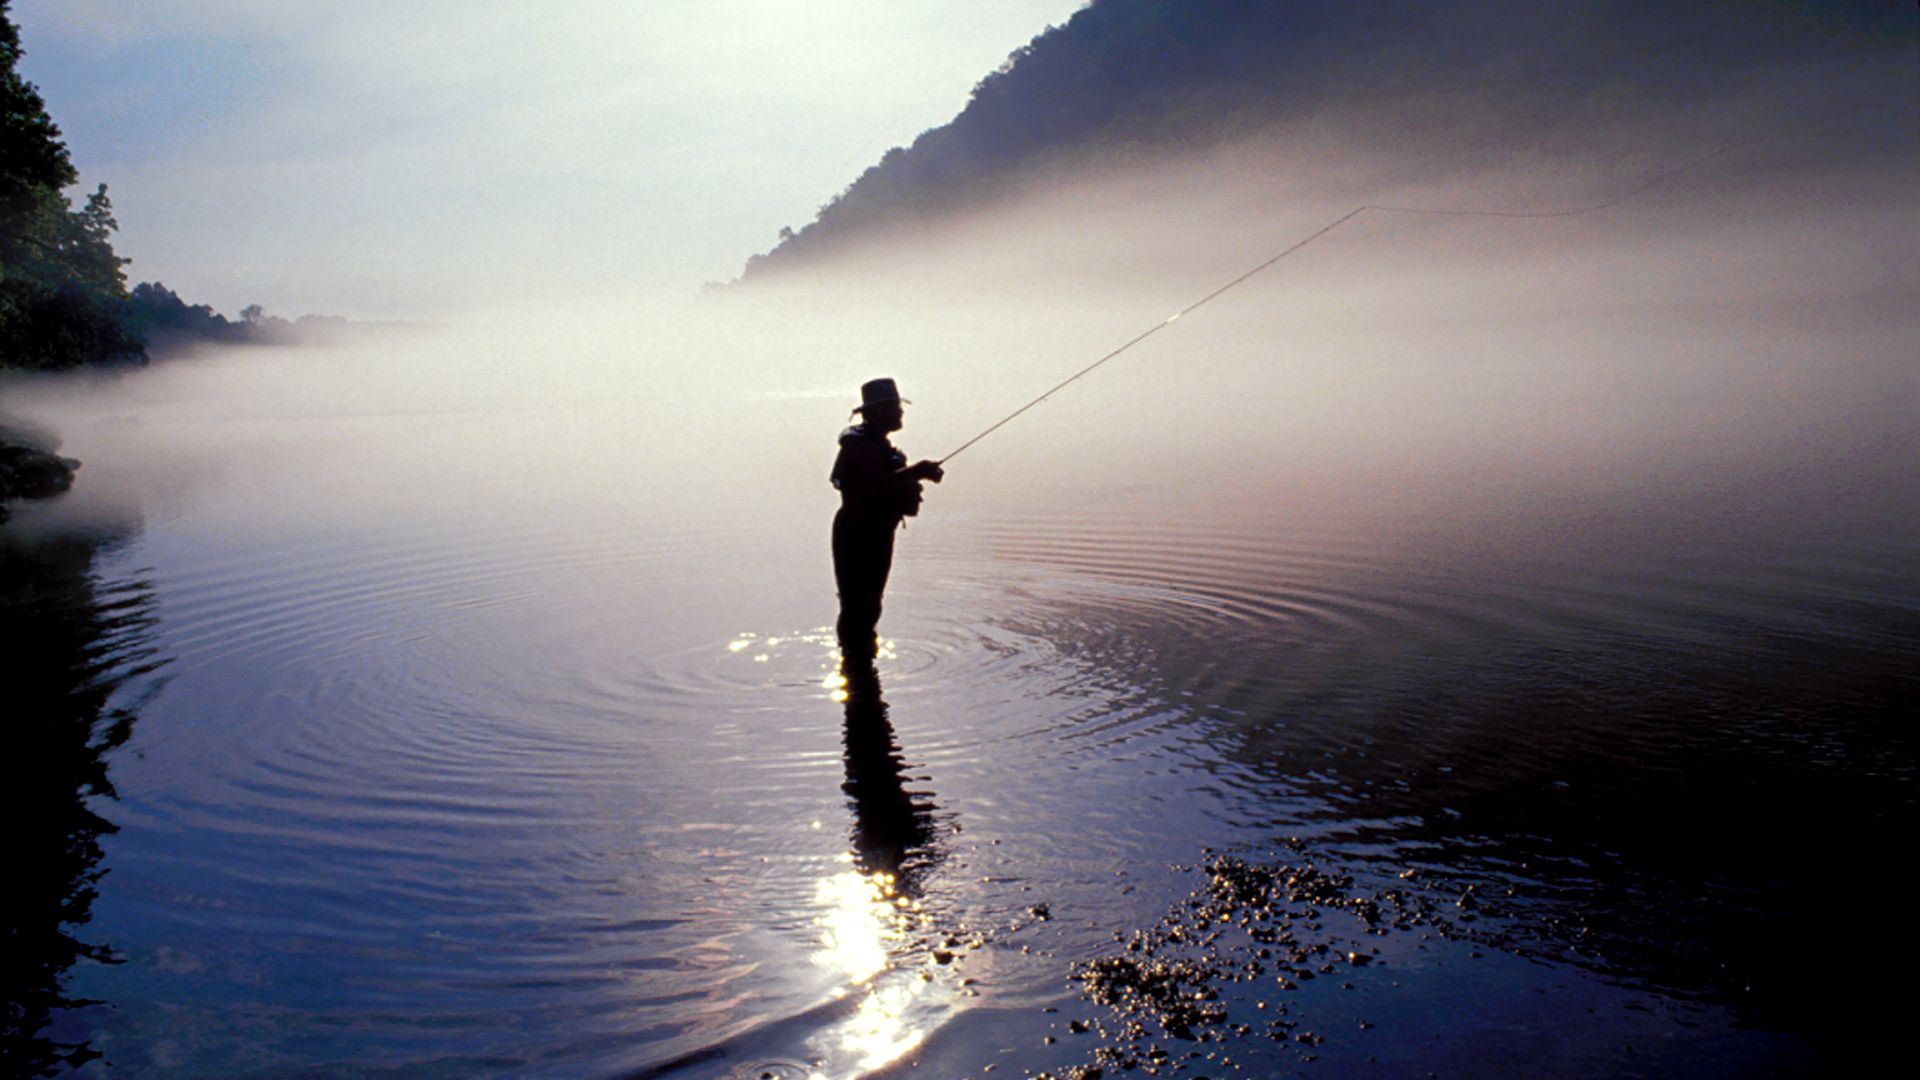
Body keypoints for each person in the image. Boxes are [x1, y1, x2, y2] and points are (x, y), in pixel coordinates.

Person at [830, 378, 943, 661]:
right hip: (857, 535)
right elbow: (868, 489)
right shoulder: (856, 448)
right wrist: (917, 472)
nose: (900, 413)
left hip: (878, 533)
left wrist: (913, 481)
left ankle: (860, 671)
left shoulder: (881, 448)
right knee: (859, 606)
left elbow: (887, 486)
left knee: (868, 606)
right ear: (876, 413)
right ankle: (856, 665)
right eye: (894, 407)